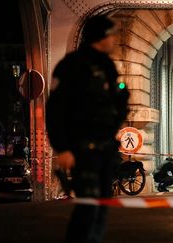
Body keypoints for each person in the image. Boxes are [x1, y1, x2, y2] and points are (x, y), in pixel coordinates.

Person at [46, 14, 129, 243]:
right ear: (100, 36)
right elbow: (56, 109)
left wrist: (122, 100)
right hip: (82, 148)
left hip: (105, 149)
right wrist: (62, 148)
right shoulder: (71, 66)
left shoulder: (108, 66)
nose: (114, 39)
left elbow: (112, 108)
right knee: (87, 207)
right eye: (111, 34)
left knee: (102, 205)